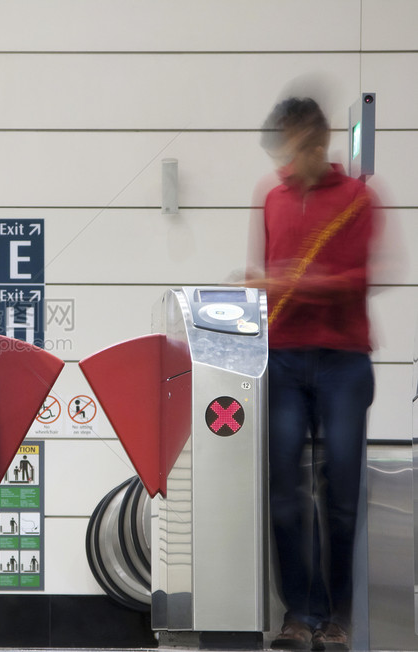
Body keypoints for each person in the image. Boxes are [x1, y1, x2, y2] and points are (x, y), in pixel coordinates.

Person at [247, 97, 377, 651]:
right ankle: (297, 615)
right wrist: (262, 285)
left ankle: (335, 616)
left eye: (300, 146)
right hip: (285, 356)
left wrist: (288, 283)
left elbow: (359, 278)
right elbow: (265, 275)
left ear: (321, 143)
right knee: (284, 492)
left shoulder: (358, 199)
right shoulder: (272, 199)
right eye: (286, 147)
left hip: (343, 359)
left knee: (342, 489)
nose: (291, 158)